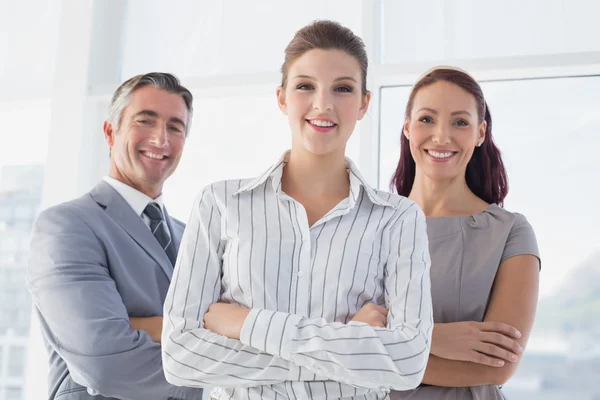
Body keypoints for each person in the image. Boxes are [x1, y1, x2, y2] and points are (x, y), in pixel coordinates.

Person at [162, 20, 433, 400]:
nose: (323, 104)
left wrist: (246, 324)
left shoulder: (399, 219)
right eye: (305, 86)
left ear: (363, 104)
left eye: (342, 88)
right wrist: (347, 351)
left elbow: (407, 363)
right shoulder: (220, 204)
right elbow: (180, 357)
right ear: (282, 97)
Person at [27, 72, 203, 399]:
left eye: (175, 127)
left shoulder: (195, 238)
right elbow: (108, 365)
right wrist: (221, 370)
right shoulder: (67, 226)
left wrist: (141, 325)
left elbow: (229, 332)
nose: (160, 139)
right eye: (145, 121)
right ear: (110, 132)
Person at [388, 66, 541, 400]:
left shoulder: (510, 232)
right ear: (407, 127)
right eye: (427, 119)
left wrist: (383, 354)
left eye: (460, 122)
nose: (442, 136)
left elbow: (497, 365)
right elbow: (337, 340)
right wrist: (436, 339)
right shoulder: (370, 224)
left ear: (480, 132)